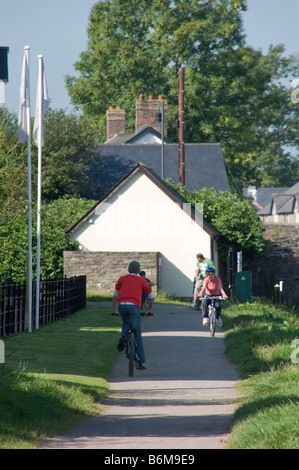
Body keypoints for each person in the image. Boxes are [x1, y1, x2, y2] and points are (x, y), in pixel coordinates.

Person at [111, 261, 155, 370]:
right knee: (137, 332)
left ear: (128, 269)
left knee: (126, 322)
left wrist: (113, 310)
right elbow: (151, 296)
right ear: (139, 270)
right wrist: (149, 309)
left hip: (122, 306)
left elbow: (115, 296)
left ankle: (124, 337)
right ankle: (142, 361)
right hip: (134, 306)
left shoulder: (122, 279)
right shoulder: (142, 280)